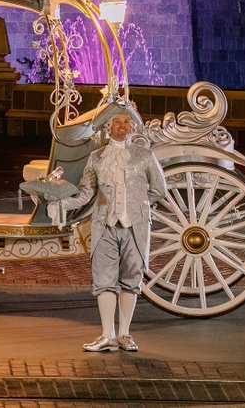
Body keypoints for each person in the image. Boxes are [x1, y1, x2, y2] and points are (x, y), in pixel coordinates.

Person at [66, 106, 167, 352]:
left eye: (126, 122)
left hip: (135, 225)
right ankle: (107, 335)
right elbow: (87, 192)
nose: (122, 126)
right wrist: (61, 202)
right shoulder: (97, 157)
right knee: (104, 279)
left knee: (132, 278)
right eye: (117, 122)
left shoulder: (144, 156)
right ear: (108, 127)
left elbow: (159, 189)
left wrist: (138, 205)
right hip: (105, 224)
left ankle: (124, 334)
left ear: (132, 127)